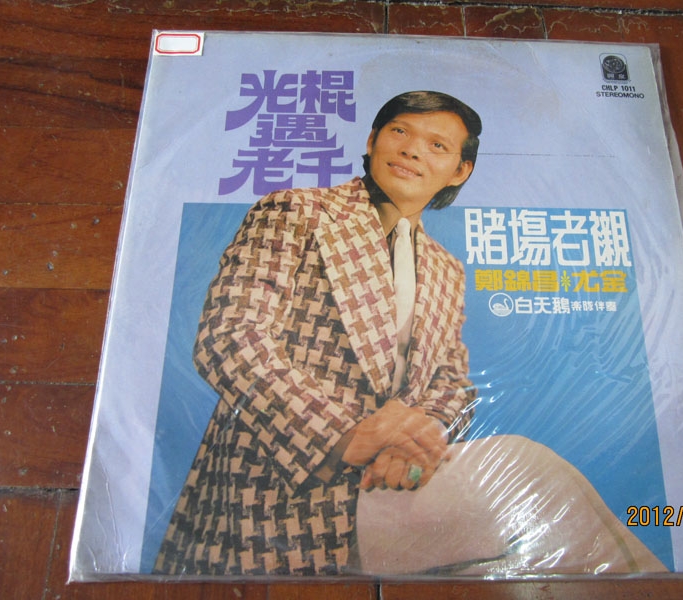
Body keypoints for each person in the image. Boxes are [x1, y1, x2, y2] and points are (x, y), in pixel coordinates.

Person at [154, 91, 482, 576]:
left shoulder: (446, 269)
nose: (413, 150)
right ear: (371, 141)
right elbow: (231, 336)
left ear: (459, 171)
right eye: (400, 131)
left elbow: (452, 382)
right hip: (270, 488)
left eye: (438, 145)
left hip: (388, 496)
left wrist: (421, 436)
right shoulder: (295, 211)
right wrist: (345, 432)